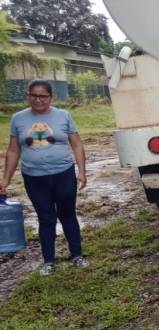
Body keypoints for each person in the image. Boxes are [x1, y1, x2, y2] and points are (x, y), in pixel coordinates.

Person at [0, 80, 89, 276]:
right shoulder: (17, 119)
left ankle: (77, 255)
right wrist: (5, 179)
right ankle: (48, 260)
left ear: (51, 97)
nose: (38, 99)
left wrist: (82, 171)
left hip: (63, 174)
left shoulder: (63, 115)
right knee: (45, 217)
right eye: (34, 95)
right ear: (28, 96)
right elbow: (14, 150)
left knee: (67, 214)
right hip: (34, 177)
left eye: (43, 96)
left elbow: (77, 145)